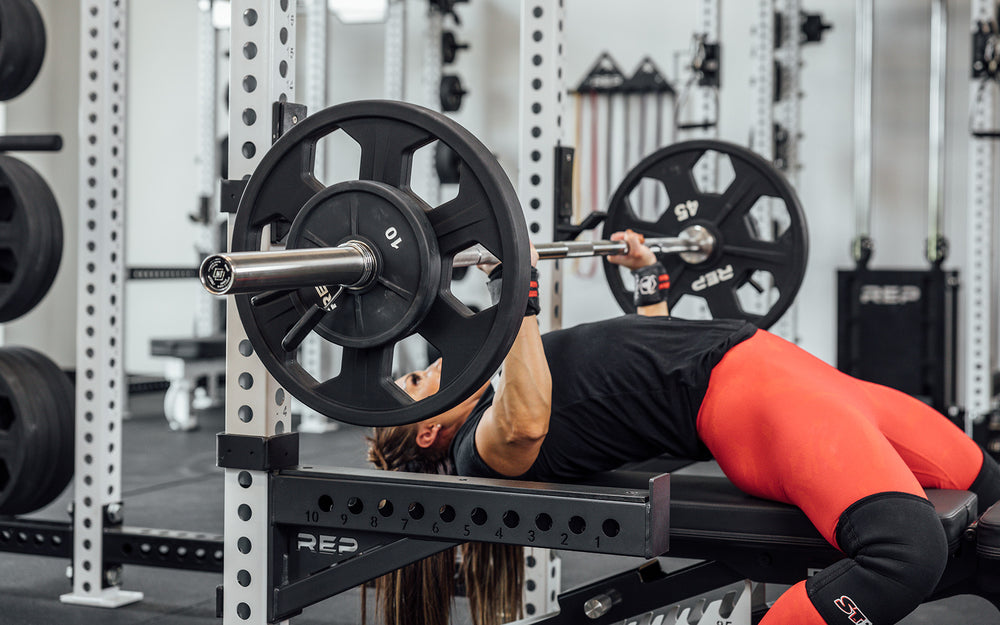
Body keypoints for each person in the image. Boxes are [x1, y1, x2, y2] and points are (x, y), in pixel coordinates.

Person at [367, 230, 1000, 625]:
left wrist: (647, 280)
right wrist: (516, 289)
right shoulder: (485, 446)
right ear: (427, 433)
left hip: (791, 375)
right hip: (752, 402)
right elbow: (528, 421)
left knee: (988, 487)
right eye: (420, 385)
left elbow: (648, 357)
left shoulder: (509, 383)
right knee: (905, 553)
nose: (432, 368)